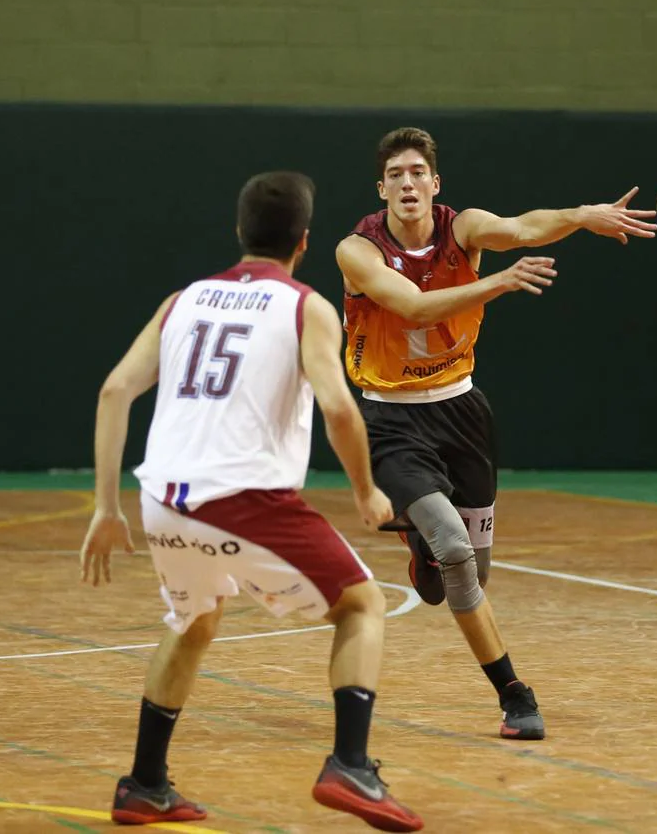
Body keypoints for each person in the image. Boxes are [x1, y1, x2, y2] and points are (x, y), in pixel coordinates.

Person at [79, 171, 422, 831]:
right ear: (304, 241)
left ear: (240, 234)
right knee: (362, 605)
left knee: (194, 622)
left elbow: (114, 392)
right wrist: (365, 490)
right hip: (242, 499)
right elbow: (339, 410)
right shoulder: (305, 305)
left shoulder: (182, 300)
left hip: (162, 502)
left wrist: (105, 507)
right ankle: (350, 763)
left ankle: (144, 785)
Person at [335, 127, 657, 740]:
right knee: (454, 548)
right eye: (396, 175)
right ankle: (514, 692)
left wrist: (583, 216)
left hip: (462, 413)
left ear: (436, 184)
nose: (408, 182)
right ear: (382, 189)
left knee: (469, 575)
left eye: (417, 173)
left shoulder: (464, 228)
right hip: (391, 419)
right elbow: (412, 307)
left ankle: (423, 555)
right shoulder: (358, 251)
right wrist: (501, 282)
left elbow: (524, 227)